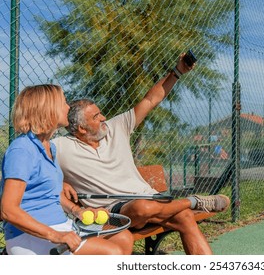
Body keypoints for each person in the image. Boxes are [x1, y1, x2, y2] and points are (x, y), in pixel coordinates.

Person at [54, 53, 230, 255]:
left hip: (150, 198)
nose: (104, 117)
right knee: (143, 209)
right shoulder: (61, 146)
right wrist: (60, 182)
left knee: (185, 218)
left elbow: (151, 99)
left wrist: (178, 71)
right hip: (115, 210)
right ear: (82, 129)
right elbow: (32, 167)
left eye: (100, 112)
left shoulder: (116, 127)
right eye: (96, 117)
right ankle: (194, 201)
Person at [0, 84, 133, 255]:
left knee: (124, 238)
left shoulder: (49, 147)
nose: (68, 107)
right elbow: (8, 210)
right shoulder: (22, 150)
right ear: (48, 109)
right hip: (28, 236)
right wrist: (55, 235)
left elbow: (52, 192)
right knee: (111, 253)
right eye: (63, 102)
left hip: (59, 225)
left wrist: (77, 210)